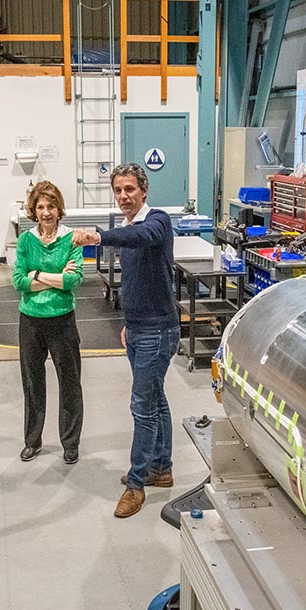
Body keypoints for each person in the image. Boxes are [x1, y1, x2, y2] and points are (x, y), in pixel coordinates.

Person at [73, 164, 180, 518]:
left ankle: (137, 484)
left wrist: (98, 237)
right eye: (118, 190)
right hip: (137, 328)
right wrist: (126, 322)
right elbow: (133, 281)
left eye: (130, 189)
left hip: (159, 330)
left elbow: (141, 238)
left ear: (144, 190)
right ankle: (161, 468)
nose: (123, 196)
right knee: (155, 399)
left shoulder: (157, 222)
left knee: (142, 406)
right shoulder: (128, 227)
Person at [11, 181, 85, 464]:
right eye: (41, 207)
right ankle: (32, 440)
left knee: (69, 383)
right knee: (32, 384)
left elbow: (74, 280)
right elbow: (18, 281)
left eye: (51, 206)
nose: (46, 212)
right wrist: (53, 278)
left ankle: (70, 443)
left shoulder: (70, 240)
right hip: (30, 321)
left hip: (62, 320)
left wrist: (37, 276)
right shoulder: (26, 241)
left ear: (59, 209)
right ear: (34, 210)